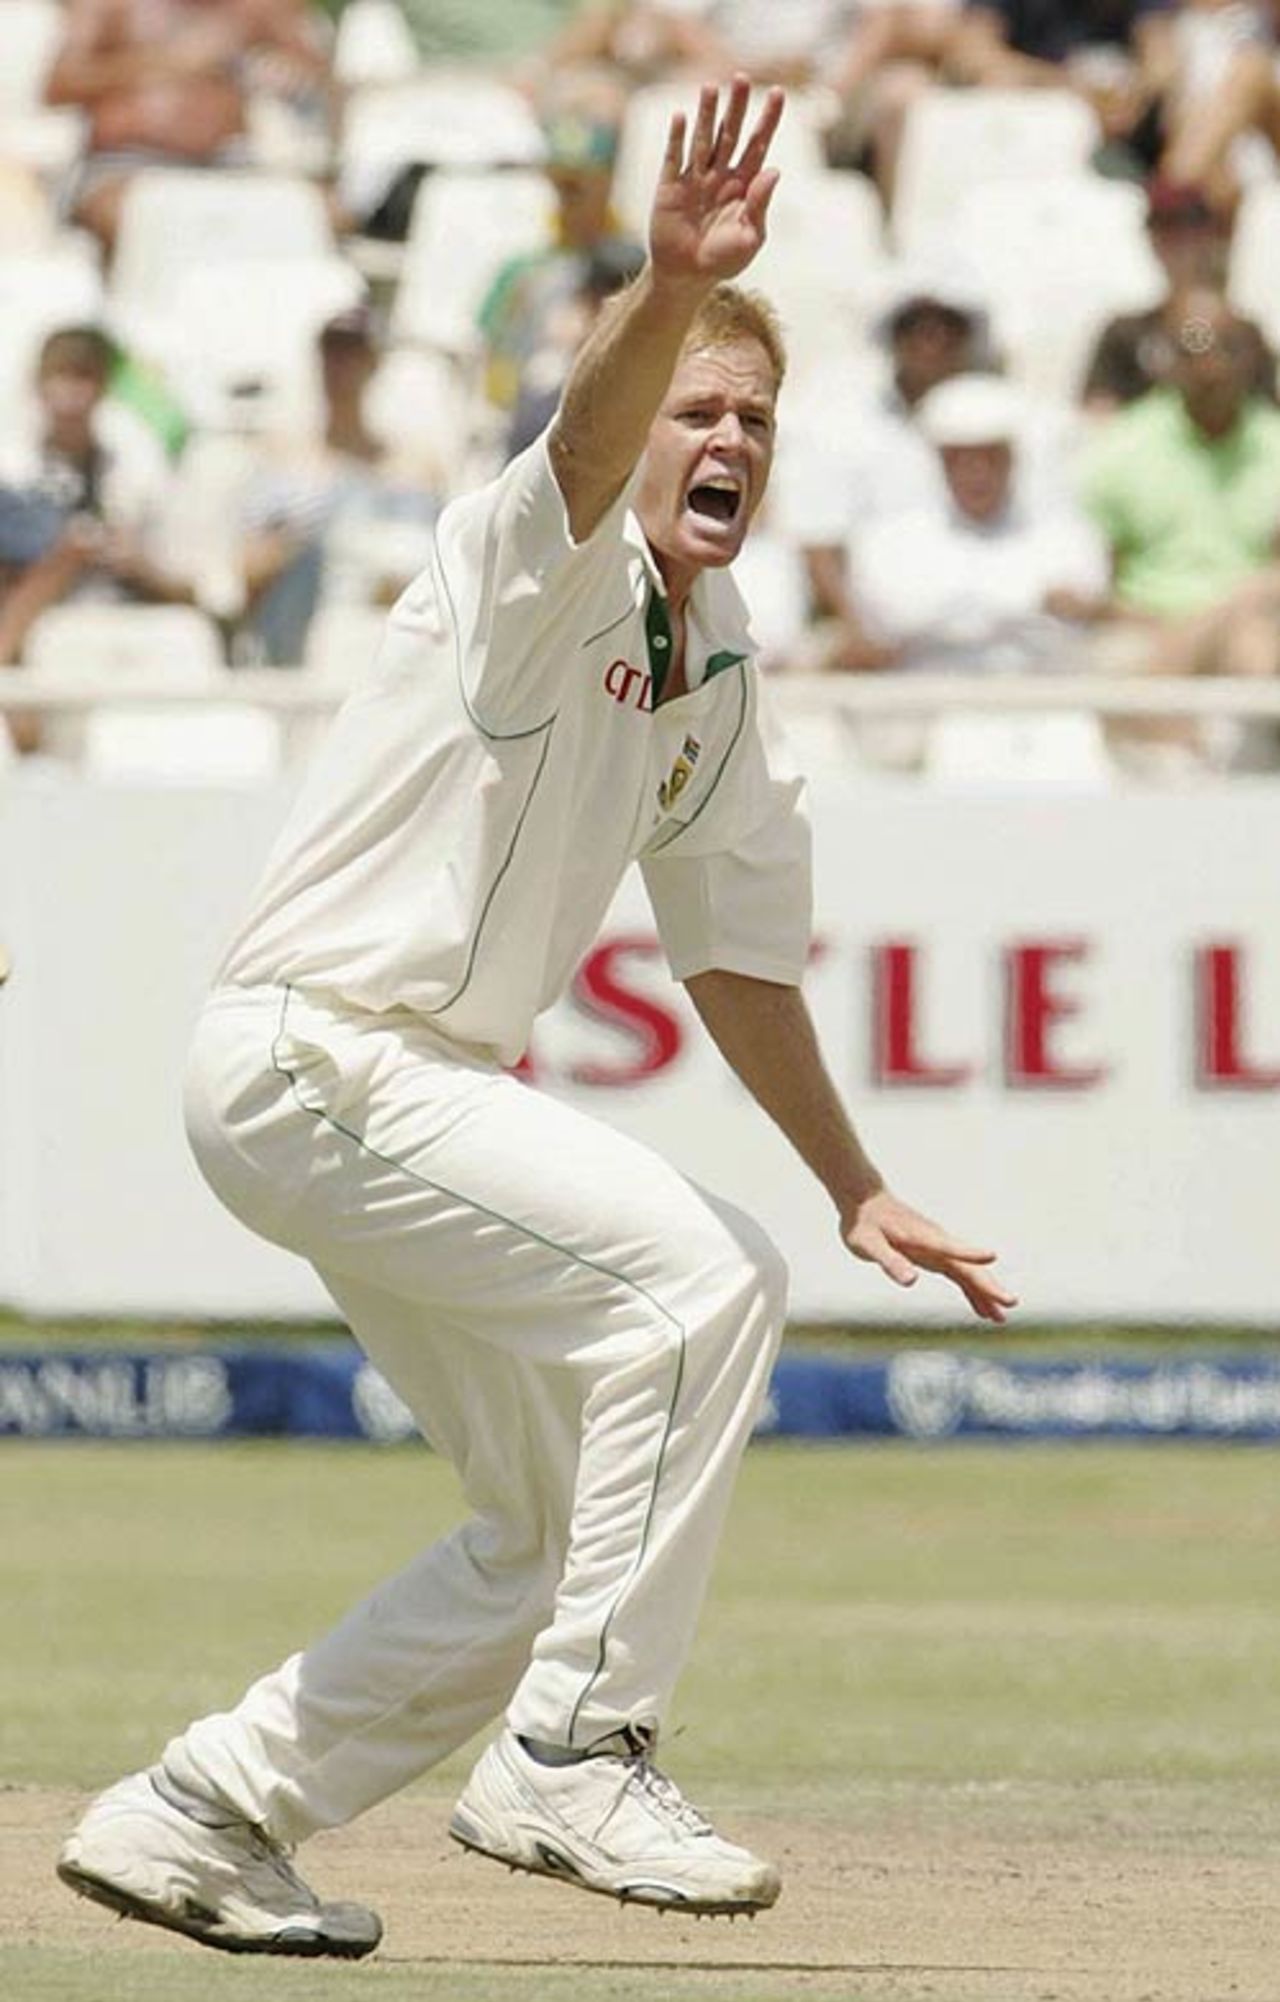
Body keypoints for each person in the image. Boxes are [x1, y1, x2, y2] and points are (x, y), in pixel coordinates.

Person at [57, 79, 1015, 1960]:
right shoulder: (527, 558)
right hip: (321, 1049)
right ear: (634, 418)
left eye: (757, 420)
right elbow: (581, 440)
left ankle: (205, 1810)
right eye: (699, 408)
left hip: (386, 1089)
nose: (728, 440)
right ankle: (576, 1752)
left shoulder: (716, 658)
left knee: (559, 1524)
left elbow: (734, 957)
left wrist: (855, 1182)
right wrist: (670, 287)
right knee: (704, 1286)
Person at [848, 373, 1112, 680]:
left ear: (1012, 458)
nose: (976, 472)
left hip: (1039, 696)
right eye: (960, 459)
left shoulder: (1067, 535)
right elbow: (896, 619)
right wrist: (1022, 604)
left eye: (990, 457)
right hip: (924, 694)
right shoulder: (891, 542)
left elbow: (1074, 615)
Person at [233, 302, 445, 666]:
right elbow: (246, 573)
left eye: (353, 355)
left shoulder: (415, 468)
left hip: (390, 644)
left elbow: (441, 574)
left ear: (374, 364)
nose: (341, 368)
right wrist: (305, 536)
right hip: (302, 643)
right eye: (332, 354)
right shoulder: (282, 459)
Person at [46, 0, 332, 257]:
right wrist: (170, 62)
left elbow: (320, 76)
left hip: (231, 163)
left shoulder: (260, 6)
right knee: (133, 218)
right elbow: (59, 85)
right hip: (128, 165)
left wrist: (285, 70)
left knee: (321, 214)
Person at [1080, 176, 1275, 411]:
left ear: (1212, 233)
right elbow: (1098, 414)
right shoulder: (1125, 334)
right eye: (1164, 226)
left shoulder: (1244, 334)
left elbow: (1269, 417)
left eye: (1190, 224)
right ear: (1151, 237)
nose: (1178, 240)